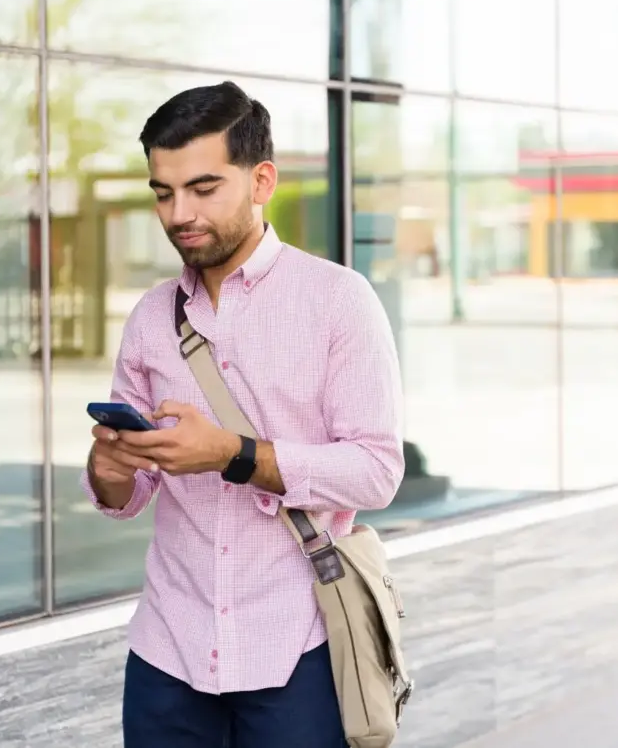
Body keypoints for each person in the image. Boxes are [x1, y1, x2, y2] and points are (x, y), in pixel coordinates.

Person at [80, 80, 405, 748]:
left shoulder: (338, 301)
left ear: (261, 181)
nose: (178, 213)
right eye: (163, 193)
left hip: (299, 648)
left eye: (203, 189)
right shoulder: (150, 318)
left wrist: (232, 452)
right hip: (169, 650)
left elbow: (376, 470)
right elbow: (127, 494)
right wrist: (109, 465)